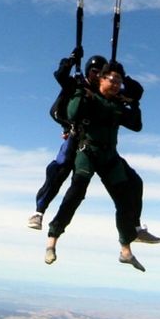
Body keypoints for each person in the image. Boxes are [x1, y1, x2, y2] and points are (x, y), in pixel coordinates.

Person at [43, 61, 160, 271]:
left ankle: (126, 250)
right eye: (112, 80)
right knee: (76, 193)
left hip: (109, 157)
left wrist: (133, 103)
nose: (115, 84)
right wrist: (79, 92)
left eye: (118, 81)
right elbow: (72, 114)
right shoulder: (89, 97)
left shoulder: (116, 104)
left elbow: (136, 125)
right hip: (88, 152)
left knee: (125, 199)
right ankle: (52, 240)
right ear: (101, 79)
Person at [28, 49, 105, 230]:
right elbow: (61, 75)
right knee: (59, 171)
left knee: (79, 184)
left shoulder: (103, 93)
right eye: (95, 71)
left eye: (102, 73)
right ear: (88, 71)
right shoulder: (76, 83)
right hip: (73, 134)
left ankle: (58, 225)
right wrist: (71, 61)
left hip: (89, 141)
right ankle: (39, 212)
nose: (98, 76)